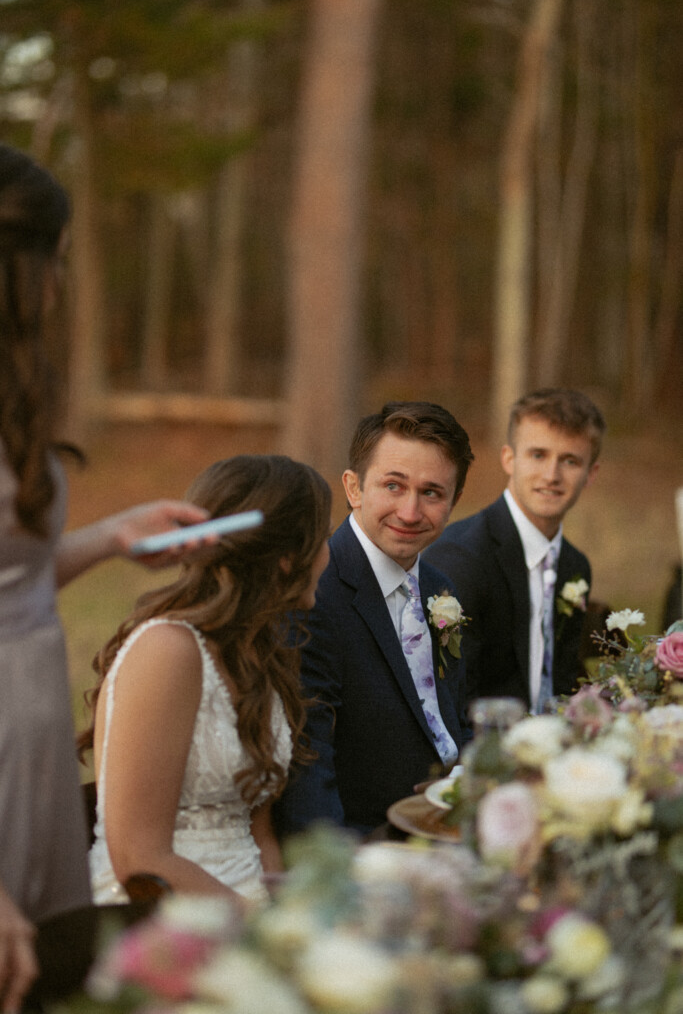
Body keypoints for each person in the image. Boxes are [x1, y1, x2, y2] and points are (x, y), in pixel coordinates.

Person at [0, 143, 212, 1012]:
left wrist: (112, 537)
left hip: (28, 764)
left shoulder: (10, 395)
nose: (61, 283)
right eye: (59, 258)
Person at [83, 454, 332, 908]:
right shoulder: (168, 652)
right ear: (286, 559)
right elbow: (140, 858)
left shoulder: (261, 656)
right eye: (323, 538)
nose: (328, 554)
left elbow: (260, 835)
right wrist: (263, 932)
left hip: (250, 902)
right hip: (160, 916)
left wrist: (292, 915)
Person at [274, 401, 475, 840]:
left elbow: (450, 719)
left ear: (454, 500)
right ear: (354, 488)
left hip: (452, 828)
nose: (409, 512)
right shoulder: (316, 593)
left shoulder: (441, 588)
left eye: (432, 493)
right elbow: (307, 755)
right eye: (393, 486)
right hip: (368, 843)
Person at [424, 388, 605, 713]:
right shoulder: (460, 559)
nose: (552, 475)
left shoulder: (575, 566)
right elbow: (448, 699)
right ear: (509, 459)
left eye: (570, 460)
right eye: (538, 455)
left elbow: (563, 681)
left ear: (591, 474)